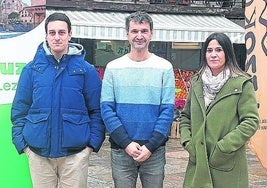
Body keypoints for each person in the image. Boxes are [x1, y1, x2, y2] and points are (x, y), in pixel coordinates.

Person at [11, 12, 105, 188]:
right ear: (46, 35)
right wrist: (23, 145)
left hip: (75, 155)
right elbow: (20, 109)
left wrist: (91, 145)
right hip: (38, 154)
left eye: (61, 32)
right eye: (52, 32)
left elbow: (96, 111)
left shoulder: (85, 71)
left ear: (70, 35)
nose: (57, 37)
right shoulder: (32, 70)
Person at [101, 11, 175, 188]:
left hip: (154, 151)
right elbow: (106, 110)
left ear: (151, 33)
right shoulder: (113, 68)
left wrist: (150, 146)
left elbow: (167, 111)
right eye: (134, 31)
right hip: (121, 150)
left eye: (144, 31)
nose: (139, 36)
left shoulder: (165, 68)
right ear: (127, 34)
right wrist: (126, 143)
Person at [179, 32, 259, 188]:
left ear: (227, 53)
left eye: (219, 50)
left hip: (227, 163)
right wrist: (188, 142)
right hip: (198, 162)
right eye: (209, 50)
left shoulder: (242, 83)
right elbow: (185, 116)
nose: (213, 55)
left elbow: (250, 121)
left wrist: (224, 147)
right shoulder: (196, 82)